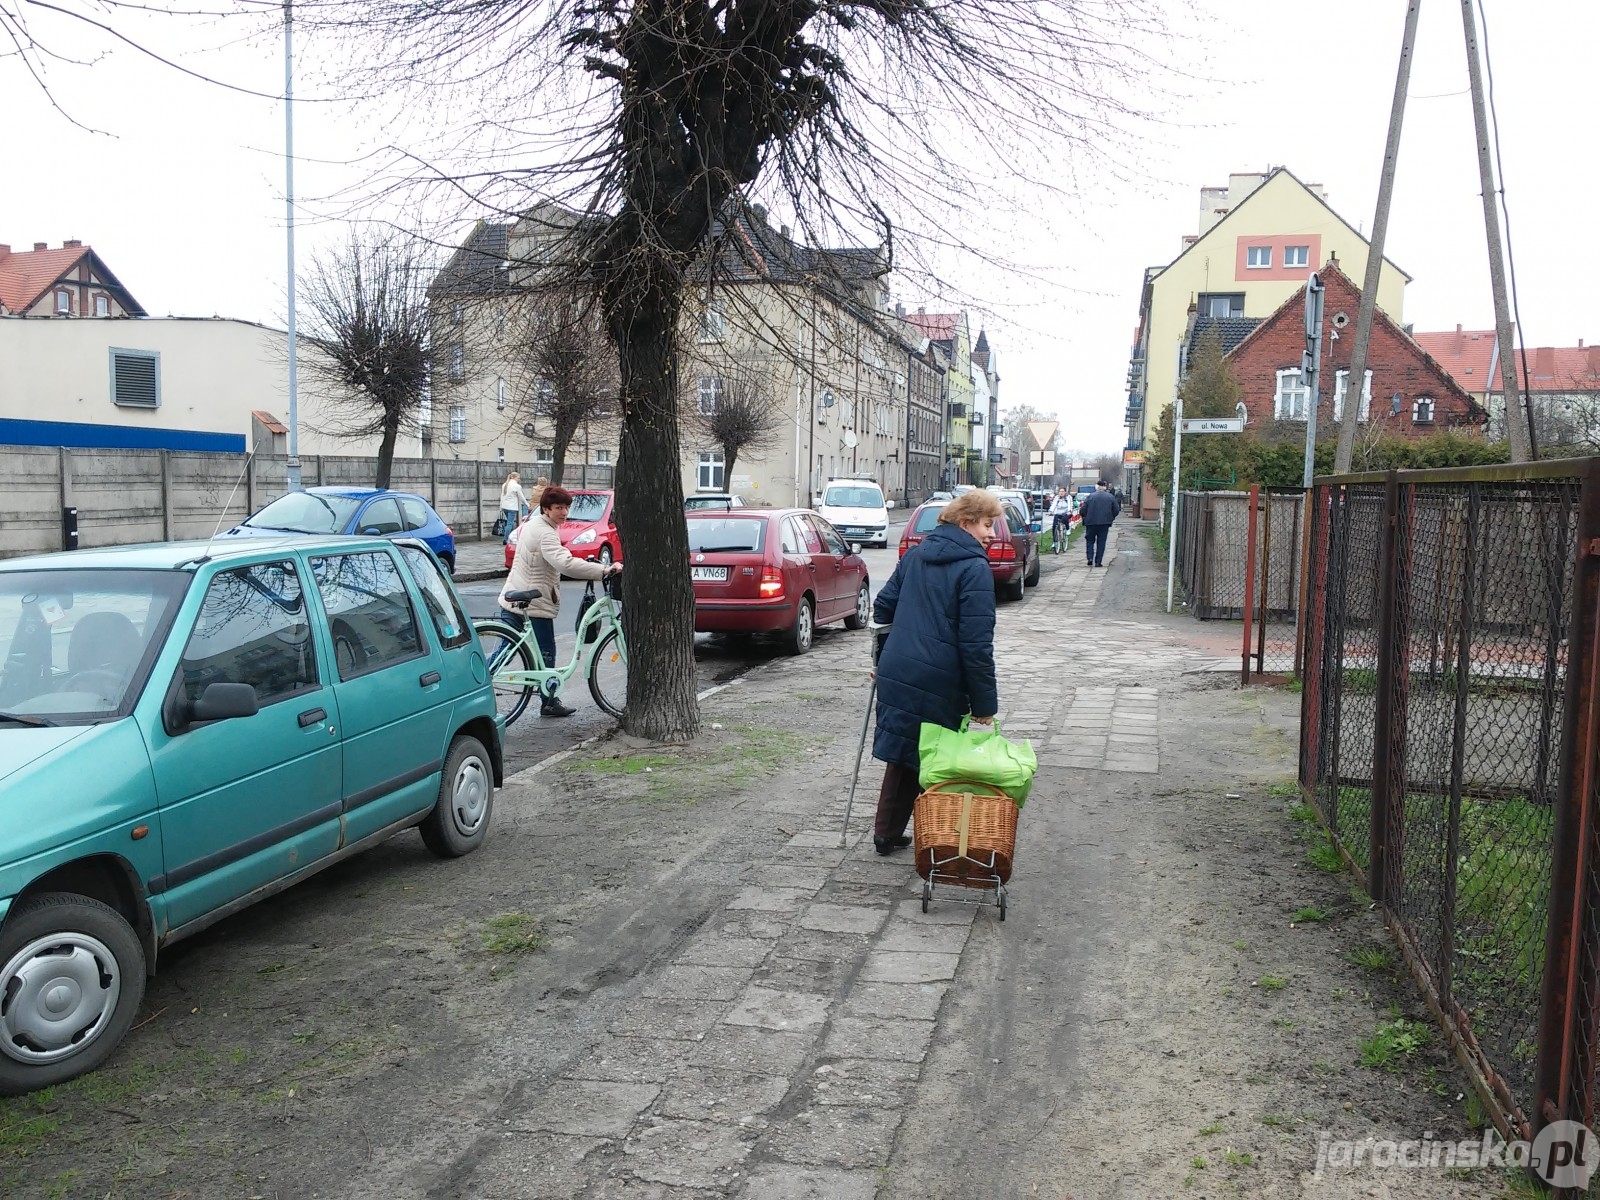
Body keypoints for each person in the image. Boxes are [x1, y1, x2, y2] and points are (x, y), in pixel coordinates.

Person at [868, 489, 1000, 855]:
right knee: (939, 757)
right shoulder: (974, 568)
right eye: (988, 525)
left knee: (905, 750)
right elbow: (976, 645)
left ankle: (886, 833)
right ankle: (939, 837)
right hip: (940, 676)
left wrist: (881, 662)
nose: (991, 534)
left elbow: (882, 609)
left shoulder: (915, 555)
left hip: (899, 668)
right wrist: (984, 704)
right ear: (966, 522)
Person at [497, 485, 622, 717]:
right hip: (533, 602)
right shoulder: (545, 531)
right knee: (545, 652)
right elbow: (564, 563)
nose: (564, 512)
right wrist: (602, 570)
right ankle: (549, 702)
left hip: (518, 593)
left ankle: (477, 688)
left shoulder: (537, 525)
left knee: (504, 652)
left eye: (566, 507)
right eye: (558, 508)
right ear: (546, 509)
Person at [1079, 479, 1121, 568]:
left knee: (1090, 540)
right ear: (1105, 487)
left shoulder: (1090, 496)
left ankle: (1090, 557)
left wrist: (1085, 517)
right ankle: (1098, 562)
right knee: (1101, 542)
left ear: (1097, 487)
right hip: (1104, 523)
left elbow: (1083, 510)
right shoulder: (1110, 497)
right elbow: (1116, 510)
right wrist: (1111, 518)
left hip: (1091, 523)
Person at [499, 472, 528, 544]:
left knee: (508, 523)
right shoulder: (516, 486)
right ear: (514, 478)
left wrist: (501, 506)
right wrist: (527, 504)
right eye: (518, 478)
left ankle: (508, 537)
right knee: (510, 523)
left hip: (504, 506)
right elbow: (521, 497)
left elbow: (502, 496)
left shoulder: (504, 485)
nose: (519, 479)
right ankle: (506, 539)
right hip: (512, 507)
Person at [1048, 487, 1074, 554]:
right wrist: (1051, 511)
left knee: (1065, 518)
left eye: (1062, 491)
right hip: (1058, 513)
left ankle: (1068, 529)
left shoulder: (1068, 497)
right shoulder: (1056, 497)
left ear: (1065, 492)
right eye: (1060, 491)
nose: (1061, 493)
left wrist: (1069, 511)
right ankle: (1055, 542)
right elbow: (1053, 505)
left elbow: (1070, 505)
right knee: (1054, 527)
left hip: (1066, 512)